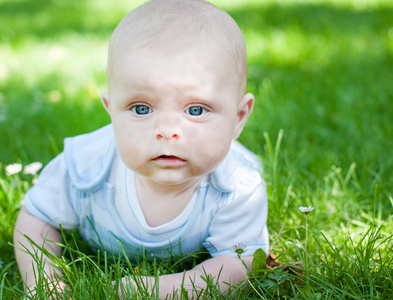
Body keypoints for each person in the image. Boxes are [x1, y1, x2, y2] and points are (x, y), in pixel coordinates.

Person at [14, 0, 269, 297]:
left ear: (238, 118)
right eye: (141, 108)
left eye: (196, 110)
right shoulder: (86, 165)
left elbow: (242, 263)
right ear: (111, 111)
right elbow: (36, 217)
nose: (166, 130)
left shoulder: (238, 185)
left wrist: (157, 289)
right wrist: (45, 281)